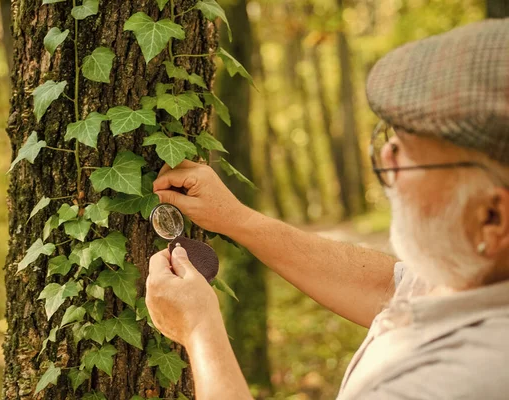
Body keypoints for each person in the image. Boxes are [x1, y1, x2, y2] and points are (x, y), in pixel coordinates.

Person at [145, 18, 509, 400]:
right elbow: (390, 286)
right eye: (387, 137)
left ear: (491, 217)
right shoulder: (476, 272)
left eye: (405, 155)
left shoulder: (460, 380)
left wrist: (201, 330)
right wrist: (236, 219)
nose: (386, 156)